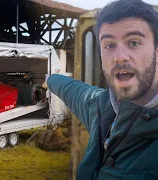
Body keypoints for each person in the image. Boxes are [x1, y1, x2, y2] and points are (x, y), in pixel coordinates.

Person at [43, 0, 158, 179]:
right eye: (109, 45)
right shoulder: (100, 106)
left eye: (134, 42)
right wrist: (50, 80)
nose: (119, 57)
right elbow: (71, 89)